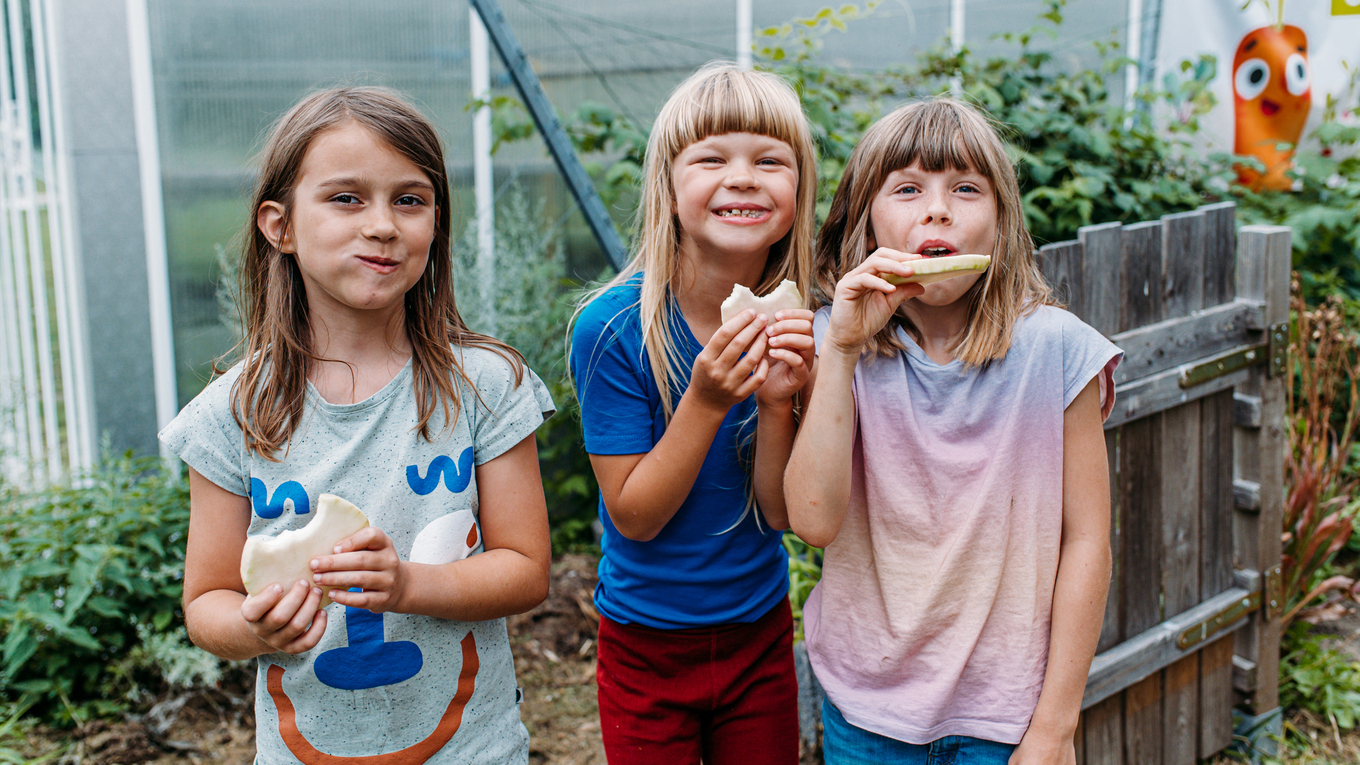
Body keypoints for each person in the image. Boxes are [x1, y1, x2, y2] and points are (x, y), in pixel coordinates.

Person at [160, 86, 554, 765]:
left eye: (410, 199)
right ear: (278, 225)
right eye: (346, 198)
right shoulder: (230, 416)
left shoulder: (488, 387)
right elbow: (207, 602)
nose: (382, 224)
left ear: (436, 223)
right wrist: (253, 625)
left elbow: (525, 569)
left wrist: (408, 586)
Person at [785, 98, 1122, 765]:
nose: (936, 209)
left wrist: (1055, 726)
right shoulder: (831, 343)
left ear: (1002, 223)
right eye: (907, 189)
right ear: (864, 220)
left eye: (966, 189)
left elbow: (1087, 540)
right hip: (867, 711)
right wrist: (846, 347)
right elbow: (813, 520)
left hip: (1007, 716)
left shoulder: (1058, 350)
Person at [568, 63, 818, 764]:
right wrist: (707, 400)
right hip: (645, 644)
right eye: (712, 158)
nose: (743, 177)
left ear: (798, 190)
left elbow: (778, 515)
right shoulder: (612, 329)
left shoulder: (801, 323)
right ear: (668, 189)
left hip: (759, 635)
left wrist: (776, 406)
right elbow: (636, 517)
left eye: (770, 160)